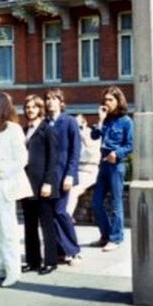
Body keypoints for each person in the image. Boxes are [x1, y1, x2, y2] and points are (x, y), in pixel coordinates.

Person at [0, 92, 33, 287]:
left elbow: (22, 159)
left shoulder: (14, 129)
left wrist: (4, 175)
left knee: (7, 228)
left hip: (4, 182)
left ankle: (13, 270)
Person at [89, 86, 134, 252]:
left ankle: (116, 238)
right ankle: (105, 235)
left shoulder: (126, 122)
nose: (107, 103)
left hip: (116, 164)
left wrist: (117, 153)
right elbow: (94, 136)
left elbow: (130, 145)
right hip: (103, 164)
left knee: (116, 203)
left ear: (118, 101)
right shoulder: (106, 120)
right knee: (96, 203)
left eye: (110, 100)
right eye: (105, 100)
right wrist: (100, 120)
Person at [21, 94, 59, 275]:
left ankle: (51, 261)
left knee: (46, 225)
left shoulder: (47, 129)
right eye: (28, 107)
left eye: (34, 107)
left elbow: (53, 159)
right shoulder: (23, 130)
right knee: (29, 225)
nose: (30, 110)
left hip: (43, 185)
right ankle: (32, 261)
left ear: (40, 109)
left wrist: (48, 183)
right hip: (27, 185)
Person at [44, 88, 82, 264]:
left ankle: (73, 250)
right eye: (47, 99)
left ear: (61, 102)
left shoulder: (69, 122)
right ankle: (58, 251)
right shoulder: (44, 123)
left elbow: (75, 151)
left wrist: (70, 175)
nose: (50, 102)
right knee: (50, 214)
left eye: (54, 98)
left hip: (63, 175)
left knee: (61, 212)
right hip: (47, 178)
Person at [65, 114, 101, 220]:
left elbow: (93, 153)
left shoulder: (92, 134)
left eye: (80, 126)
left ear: (85, 123)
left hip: (89, 169)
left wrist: (84, 139)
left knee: (73, 190)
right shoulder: (71, 136)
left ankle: (66, 217)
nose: (77, 129)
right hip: (76, 170)